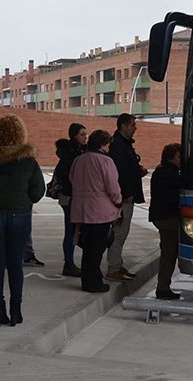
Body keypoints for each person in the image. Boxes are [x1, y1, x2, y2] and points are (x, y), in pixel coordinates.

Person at [0, 114, 45, 327]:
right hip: (19, 214)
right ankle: (16, 310)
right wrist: (22, 199)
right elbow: (38, 191)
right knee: (15, 264)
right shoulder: (28, 160)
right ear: (19, 132)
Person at [69, 130, 122, 293]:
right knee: (97, 248)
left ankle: (87, 280)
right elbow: (112, 186)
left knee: (87, 247)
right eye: (107, 144)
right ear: (102, 144)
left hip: (82, 208)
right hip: (100, 210)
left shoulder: (79, 159)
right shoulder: (106, 161)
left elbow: (72, 178)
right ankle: (94, 282)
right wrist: (118, 202)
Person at [105, 113, 147, 282]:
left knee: (122, 232)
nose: (135, 128)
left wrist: (138, 170)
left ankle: (118, 264)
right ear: (123, 126)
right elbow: (120, 172)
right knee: (119, 233)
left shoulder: (124, 144)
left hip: (127, 195)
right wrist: (126, 194)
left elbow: (128, 167)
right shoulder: (118, 146)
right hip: (123, 197)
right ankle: (113, 268)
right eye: (132, 125)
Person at [149, 143, 182, 300]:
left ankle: (163, 286)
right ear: (171, 157)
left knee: (168, 253)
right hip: (167, 217)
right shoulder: (166, 173)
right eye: (179, 157)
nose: (181, 159)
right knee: (169, 254)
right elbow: (166, 196)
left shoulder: (165, 171)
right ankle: (163, 288)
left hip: (163, 216)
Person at [54, 123, 88, 277]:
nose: (85, 137)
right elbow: (66, 175)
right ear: (74, 135)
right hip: (70, 196)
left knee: (73, 229)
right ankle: (68, 263)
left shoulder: (79, 151)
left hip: (73, 196)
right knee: (71, 230)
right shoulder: (70, 153)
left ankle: (69, 262)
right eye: (82, 134)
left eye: (86, 134)